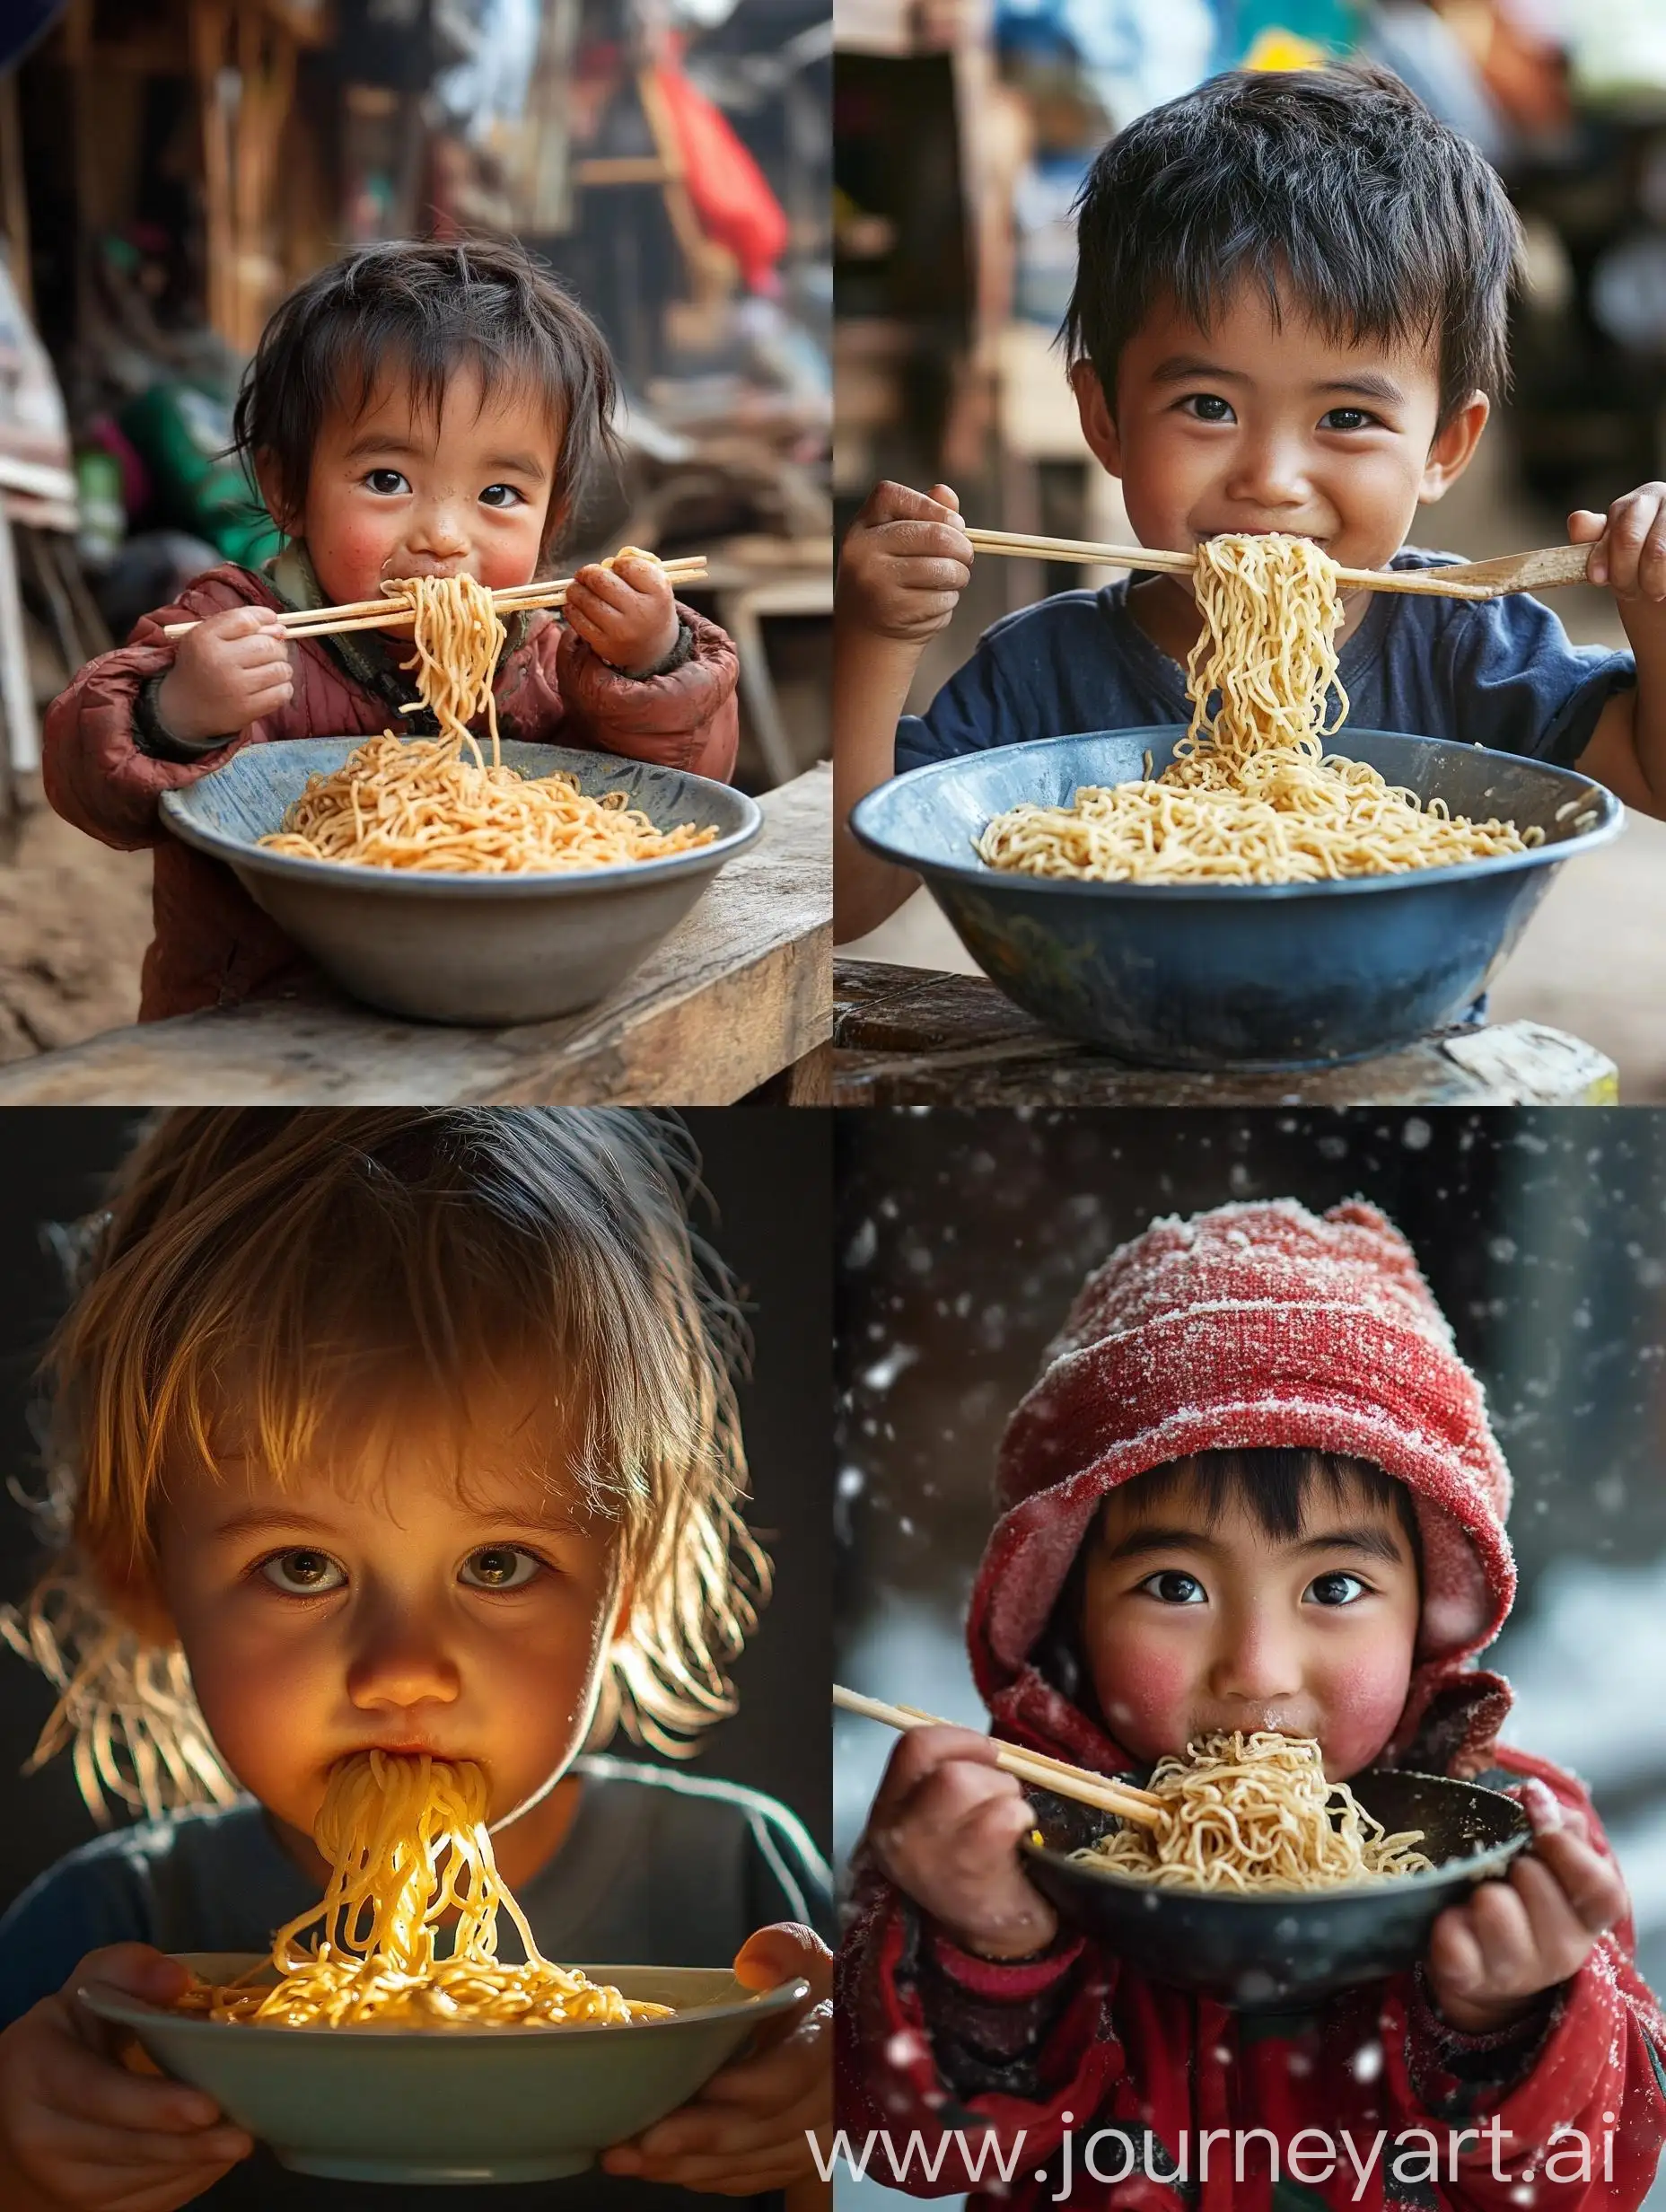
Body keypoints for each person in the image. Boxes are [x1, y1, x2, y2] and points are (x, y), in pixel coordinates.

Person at [0, 1109, 831, 2212]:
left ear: (628, 1584)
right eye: (300, 1566)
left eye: (497, 1563)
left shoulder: (740, 1892)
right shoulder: (103, 1941)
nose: (403, 1669)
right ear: (144, 1579)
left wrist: (848, 2123)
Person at [836, 1198, 1666, 2208]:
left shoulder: (1519, 1847)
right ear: (1067, 1612)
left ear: (1424, 1622)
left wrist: (1506, 2017)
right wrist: (988, 1950)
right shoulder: (992, 1834)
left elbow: (1600, 2176)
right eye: (1175, 1586)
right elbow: (912, 2148)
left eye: (1332, 1588)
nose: (1257, 1670)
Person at [833, 66, 1666, 939]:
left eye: (1345, 417)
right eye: (1207, 407)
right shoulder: (1041, 674)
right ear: (1104, 419)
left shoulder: (1469, 647)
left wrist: (1651, 604)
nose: (1270, 479)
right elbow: (848, 902)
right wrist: (875, 639)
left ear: (1442, 448)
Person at [44, 239, 741, 1018]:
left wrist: (656, 663)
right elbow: (86, 785)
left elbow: (690, 789)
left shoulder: (557, 654)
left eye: (501, 492)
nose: (444, 535)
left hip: (503, 1009)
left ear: (556, 520)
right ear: (286, 489)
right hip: (255, 1024)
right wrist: (175, 714)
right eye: (387, 480)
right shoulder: (232, 629)